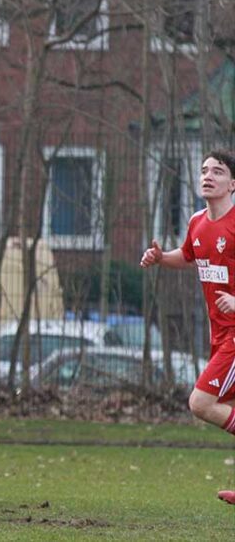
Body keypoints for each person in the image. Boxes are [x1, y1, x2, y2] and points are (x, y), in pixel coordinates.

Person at [140, 150, 235, 506]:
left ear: (233, 184)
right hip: (220, 334)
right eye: (204, 170)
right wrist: (162, 258)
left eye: (218, 171)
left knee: (201, 402)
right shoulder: (198, 221)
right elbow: (190, 254)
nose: (208, 176)